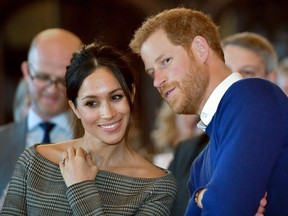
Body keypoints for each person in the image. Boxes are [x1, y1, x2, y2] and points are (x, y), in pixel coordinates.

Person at [130, 7, 288, 215]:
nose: (157, 81)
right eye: (152, 73)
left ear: (200, 49)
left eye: (165, 61)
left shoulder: (255, 95)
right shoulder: (200, 162)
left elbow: (227, 208)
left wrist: (203, 197)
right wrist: (203, 197)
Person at [1, 42, 177, 215]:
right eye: (91, 103)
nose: (107, 113)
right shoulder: (34, 162)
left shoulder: (156, 186)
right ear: (75, 108)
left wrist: (81, 188)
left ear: (131, 94)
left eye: (116, 97)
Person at [167, 31, 279, 216]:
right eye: (227, 71)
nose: (234, 83)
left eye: (247, 72)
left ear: (271, 78)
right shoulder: (189, 153)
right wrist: (201, 197)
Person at [0, 28, 82, 208]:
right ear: (26, 71)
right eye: (43, 77)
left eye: (63, 80)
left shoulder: (99, 141)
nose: (52, 89)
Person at [151, 100, 203, 168]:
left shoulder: (203, 151)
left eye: (196, 112)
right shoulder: (161, 159)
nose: (192, 117)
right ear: (172, 114)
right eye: (186, 111)